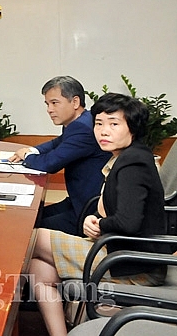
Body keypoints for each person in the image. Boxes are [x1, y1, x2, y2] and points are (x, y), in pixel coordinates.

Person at [27, 93, 167, 336]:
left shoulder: (133, 164)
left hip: (131, 262)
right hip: (119, 250)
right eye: (99, 123)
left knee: (31, 238)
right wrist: (96, 220)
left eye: (114, 124)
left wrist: (101, 224)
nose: (104, 131)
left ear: (132, 128)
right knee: (37, 266)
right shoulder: (126, 156)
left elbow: (128, 222)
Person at [8, 76, 110, 235]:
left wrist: (27, 157)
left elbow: (50, 163)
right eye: (47, 104)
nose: (49, 109)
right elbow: (57, 142)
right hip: (77, 201)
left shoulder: (83, 129)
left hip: (89, 213)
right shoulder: (82, 121)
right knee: (31, 217)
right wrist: (33, 150)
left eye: (54, 103)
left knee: (27, 227)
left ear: (75, 102)